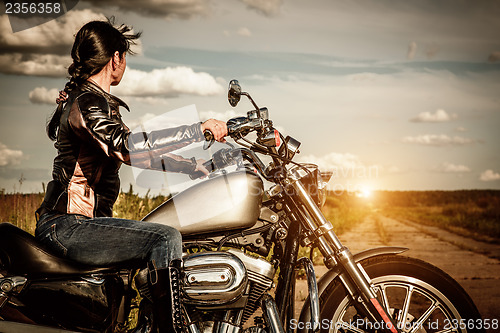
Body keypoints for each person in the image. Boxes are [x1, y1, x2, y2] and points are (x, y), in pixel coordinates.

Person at [35, 19, 227, 333]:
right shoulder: (87, 103)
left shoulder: (96, 103)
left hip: (80, 224)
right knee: (165, 237)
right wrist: (197, 128)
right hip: (67, 225)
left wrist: (192, 166)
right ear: (116, 58)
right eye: (125, 57)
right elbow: (128, 148)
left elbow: (142, 152)